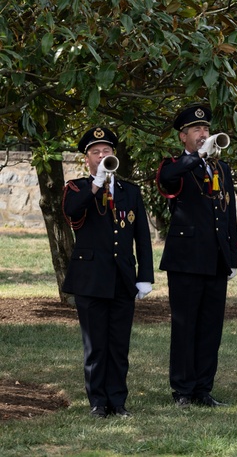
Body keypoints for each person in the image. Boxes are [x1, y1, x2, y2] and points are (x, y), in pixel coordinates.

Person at [62, 126, 154, 418]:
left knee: (118, 344)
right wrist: (96, 184)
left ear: (115, 154)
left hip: (122, 277)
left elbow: (142, 236)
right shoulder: (76, 187)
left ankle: (118, 400)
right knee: (95, 345)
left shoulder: (130, 191)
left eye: (107, 151)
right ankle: (98, 402)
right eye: (96, 152)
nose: (102, 156)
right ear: (86, 159)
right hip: (90, 279)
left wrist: (145, 275)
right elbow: (73, 213)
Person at [156, 104, 237, 407]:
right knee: (185, 326)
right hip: (186, 260)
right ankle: (182, 390)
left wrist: (232, 258)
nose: (204, 133)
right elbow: (168, 179)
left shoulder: (221, 169)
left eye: (206, 129)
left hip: (216, 259)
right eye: (196, 130)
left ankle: (204, 388)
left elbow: (227, 215)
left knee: (210, 328)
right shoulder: (173, 165)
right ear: (183, 137)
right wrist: (197, 157)